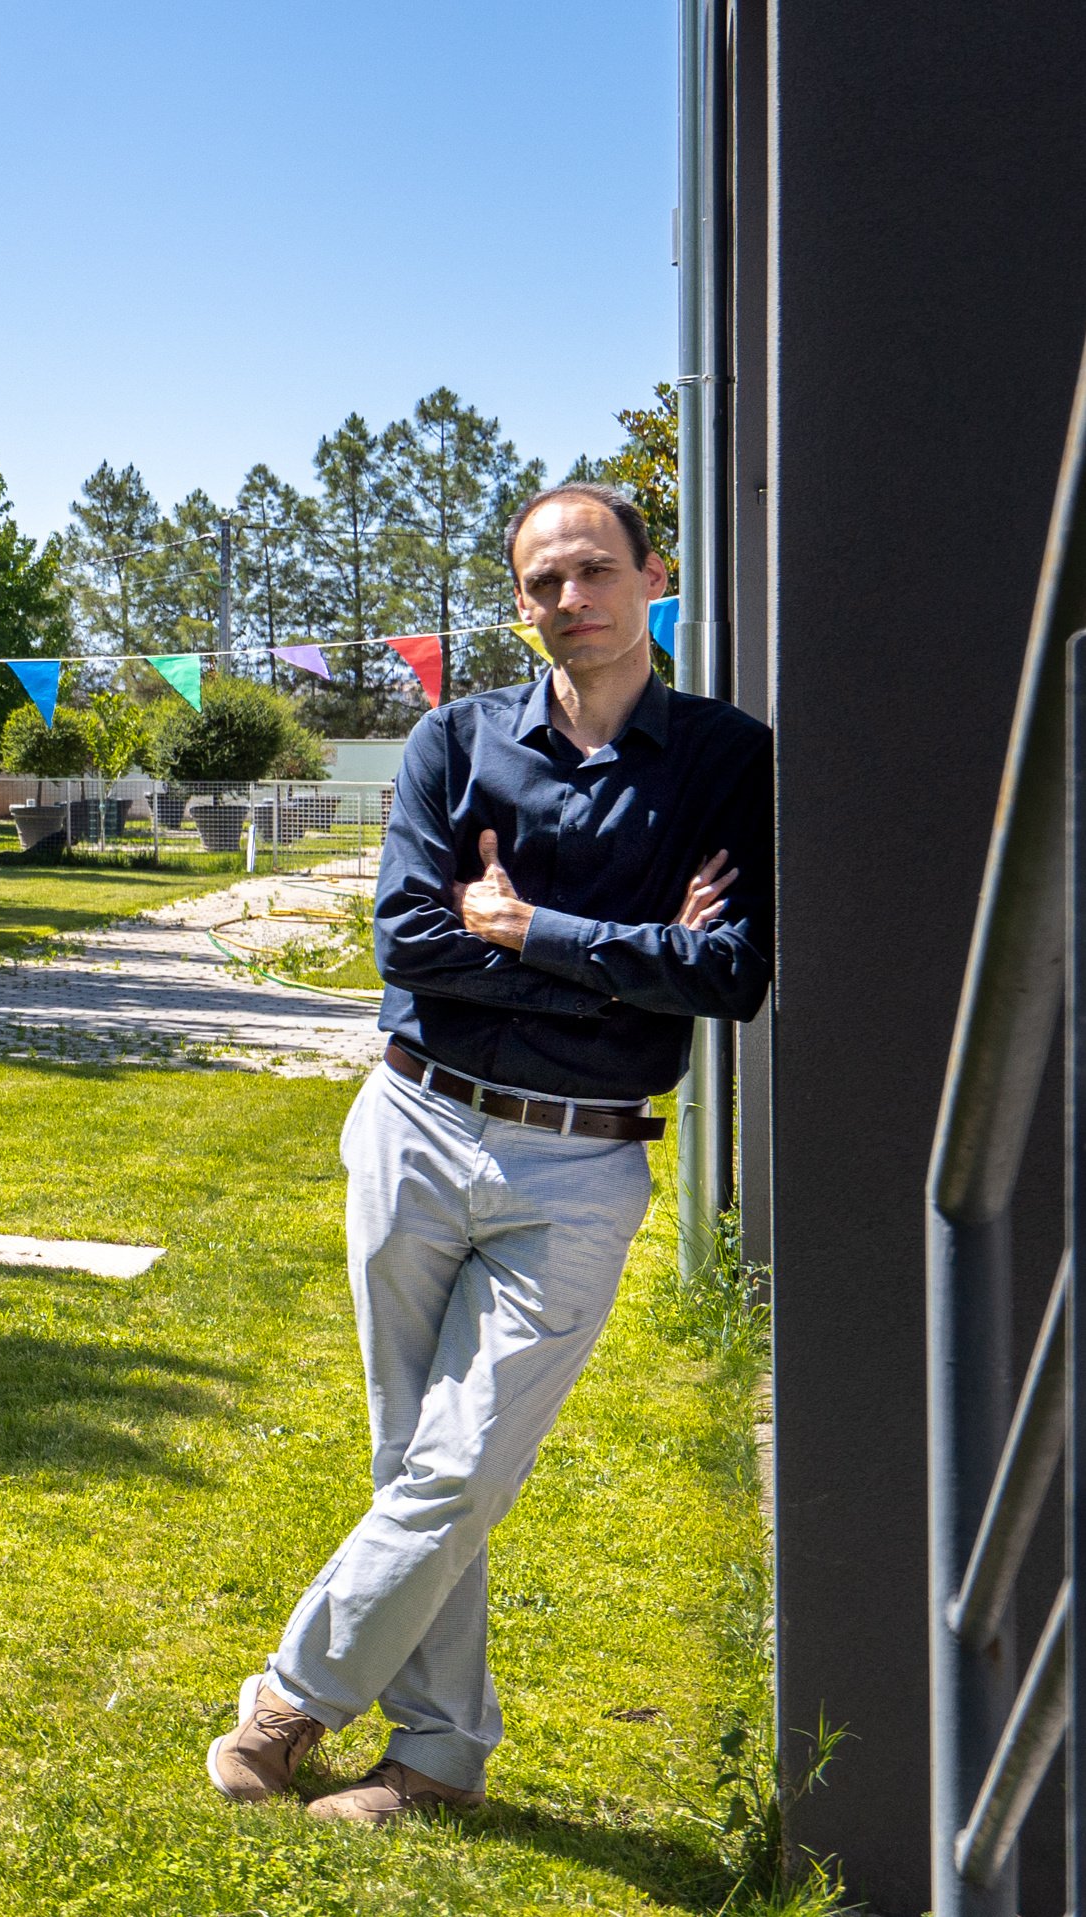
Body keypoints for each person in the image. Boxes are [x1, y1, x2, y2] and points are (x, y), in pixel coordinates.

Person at [205, 480, 771, 1823]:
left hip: (574, 1170)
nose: (566, 602)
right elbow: (408, 944)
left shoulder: (724, 761)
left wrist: (527, 931)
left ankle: (285, 1701)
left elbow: (731, 973)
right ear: (517, 604)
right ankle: (435, 1760)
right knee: (412, 1460)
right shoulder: (451, 741)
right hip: (411, 1121)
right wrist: (629, 954)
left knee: (460, 1463)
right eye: (538, 584)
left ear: (650, 574)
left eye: (589, 571)